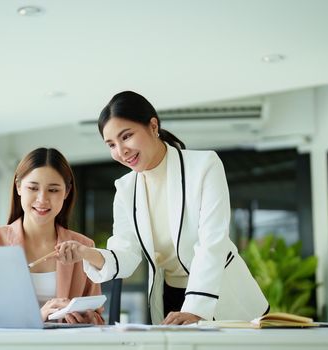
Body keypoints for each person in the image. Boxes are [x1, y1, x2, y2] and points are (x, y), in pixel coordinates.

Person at [54, 91, 269, 325]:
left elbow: (212, 243)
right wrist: (86, 253)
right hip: (169, 298)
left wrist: (196, 310)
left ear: (153, 126)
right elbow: (126, 253)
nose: (121, 151)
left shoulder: (204, 166)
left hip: (221, 296)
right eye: (111, 145)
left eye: (126, 136)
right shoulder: (126, 188)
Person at [0, 147, 104, 325]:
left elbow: (98, 318)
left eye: (53, 190)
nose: (42, 199)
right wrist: (37, 317)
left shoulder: (83, 247)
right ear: (18, 187)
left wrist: (89, 319)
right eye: (33, 188)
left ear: (66, 192)